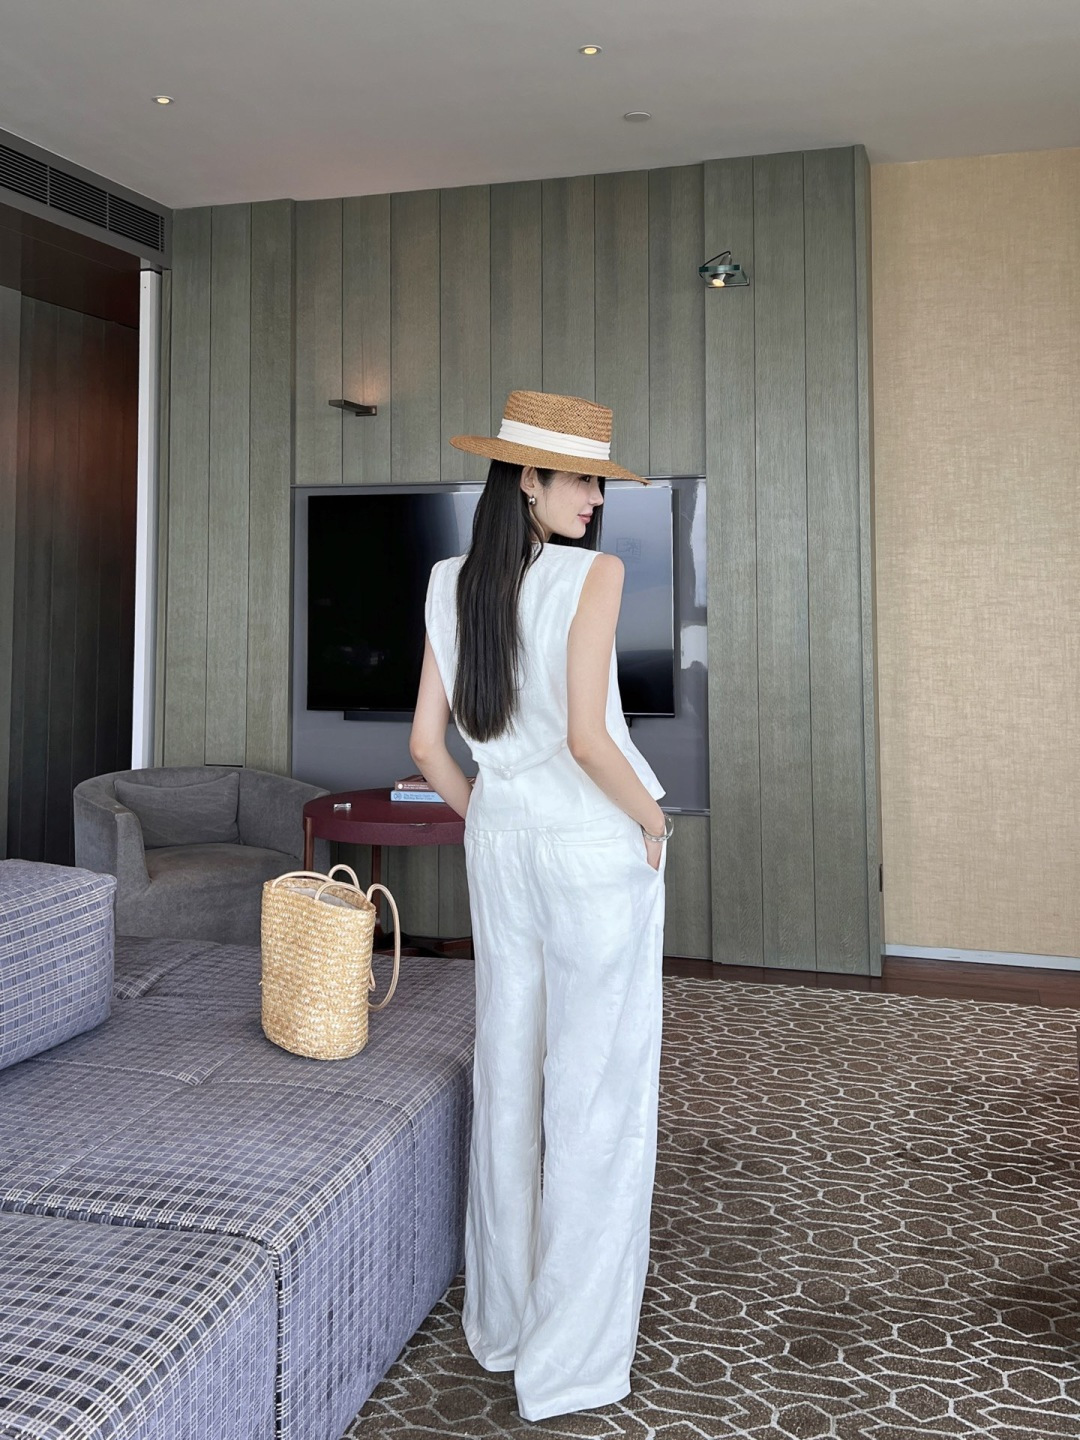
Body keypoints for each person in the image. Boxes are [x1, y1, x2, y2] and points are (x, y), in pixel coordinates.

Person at [409, 389, 670, 1423]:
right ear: (528, 478)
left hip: (502, 846)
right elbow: (590, 741)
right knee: (596, 1094)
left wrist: (492, 817)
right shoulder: (591, 576)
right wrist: (653, 820)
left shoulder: (447, 582)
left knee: (511, 1076)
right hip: (592, 850)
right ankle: (570, 1362)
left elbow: (426, 746)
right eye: (582, 481)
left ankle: (506, 1326)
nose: (596, 502)